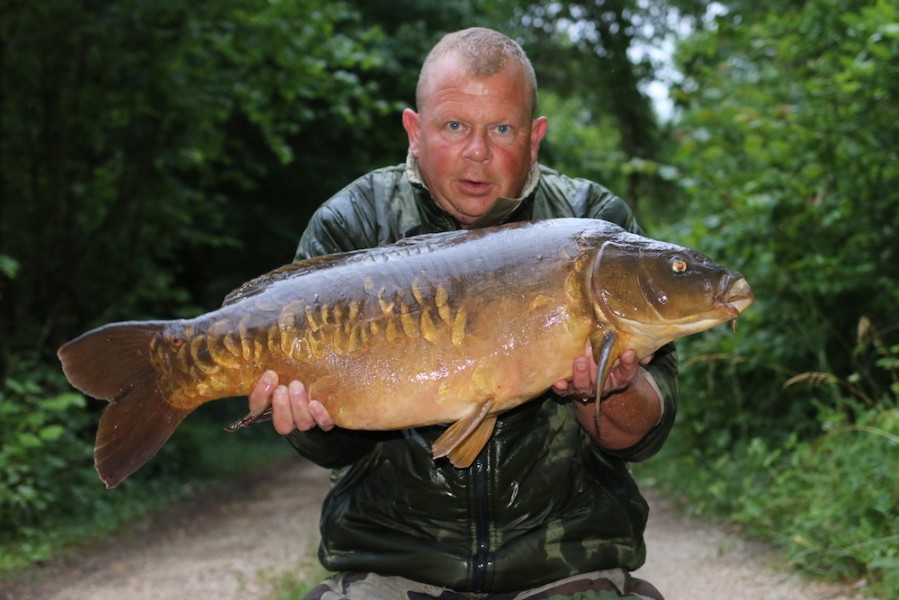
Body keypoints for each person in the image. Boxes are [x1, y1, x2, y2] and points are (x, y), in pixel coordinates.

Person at [248, 27, 677, 600]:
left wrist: (607, 387)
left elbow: (644, 433)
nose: (478, 152)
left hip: (568, 565)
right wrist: (311, 420)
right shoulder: (354, 223)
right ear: (415, 130)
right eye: (455, 126)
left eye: (502, 129)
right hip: (395, 566)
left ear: (535, 136)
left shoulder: (592, 225)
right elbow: (335, 450)